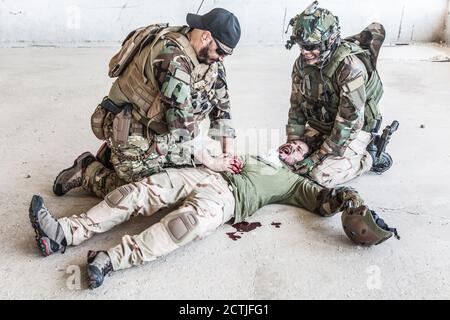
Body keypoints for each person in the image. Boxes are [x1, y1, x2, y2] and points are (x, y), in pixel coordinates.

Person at [29, 140, 399, 289]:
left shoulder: (293, 183)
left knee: (180, 228)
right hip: (203, 173)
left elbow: (327, 199)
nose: (290, 145)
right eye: (290, 141)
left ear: (302, 160)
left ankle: (109, 261)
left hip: (225, 201)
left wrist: (351, 200)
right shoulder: (257, 154)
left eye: (298, 147)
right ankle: (62, 233)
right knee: (136, 192)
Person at [53, 8, 242, 197]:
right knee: (149, 193)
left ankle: (113, 158)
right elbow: (181, 123)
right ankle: (89, 170)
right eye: (221, 52)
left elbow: (222, 106)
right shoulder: (172, 57)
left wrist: (229, 154)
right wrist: (212, 161)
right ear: (206, 37)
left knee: (193, 168)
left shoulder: (210, 61)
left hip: (162, 130)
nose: (222, 58)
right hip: (134, 128)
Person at [284, 1, 396, 187]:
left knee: (320, 176)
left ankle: (369, 157)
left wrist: (316, 157)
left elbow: (348, 123)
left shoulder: (350, 69)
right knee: (289, 163)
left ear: (329, 41)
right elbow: (296, 107)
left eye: (311, 46)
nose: (304, 52)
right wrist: (294, 143)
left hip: (355, 128)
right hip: (324, 122)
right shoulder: (302, 65)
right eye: (301, 45)